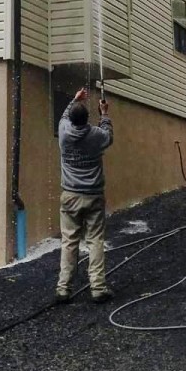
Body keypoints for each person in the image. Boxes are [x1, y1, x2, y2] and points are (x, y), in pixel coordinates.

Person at [55, 86, 114, 303]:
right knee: (95, 240)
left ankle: (63, 289)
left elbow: (63, 116)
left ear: (71, 120)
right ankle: (98, 289)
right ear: (87, 118)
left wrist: (75, 99)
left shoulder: (63, 133)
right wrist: (104, 114)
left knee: (69, 242)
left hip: (70, 196)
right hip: (93, 196)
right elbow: (109, 136)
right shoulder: (96, 135)